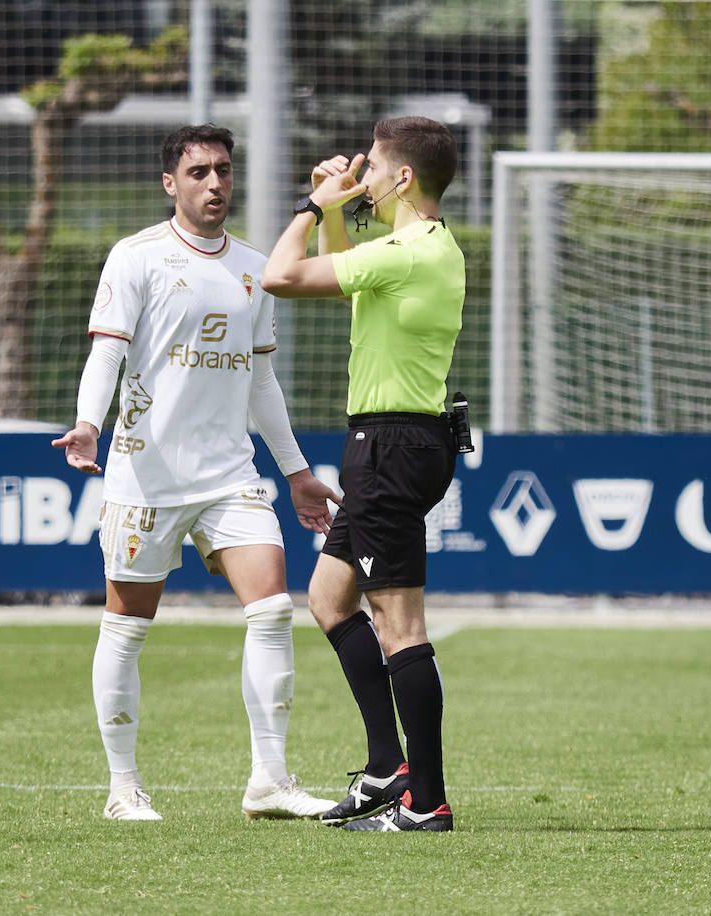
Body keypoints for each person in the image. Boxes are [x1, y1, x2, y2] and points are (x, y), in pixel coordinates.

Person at [51, 124, 343, 823]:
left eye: (224, 171)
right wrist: (90, 422)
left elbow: (261, 379)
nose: (216, 184)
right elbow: (107, 357)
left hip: (229, 476)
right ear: (170, 183)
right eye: (200, 172)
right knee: (127, 625)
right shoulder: (136, 257)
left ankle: (269, 780)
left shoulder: (254, 266)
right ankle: (123, 788)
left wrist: (297, 471)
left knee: (272, 608)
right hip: (145, 476)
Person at [261, 116, 466, 832]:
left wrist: (312, 206)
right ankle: (389, 768)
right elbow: (346, 280)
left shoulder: (406, 252)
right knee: (328, 598)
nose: (366, 178)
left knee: (399, 625)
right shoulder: (421, 248)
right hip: (393, 442)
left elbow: (279, 277)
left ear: (404, 177)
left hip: (390, 447)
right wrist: (338, 208)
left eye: (375, 168)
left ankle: (427, 802)